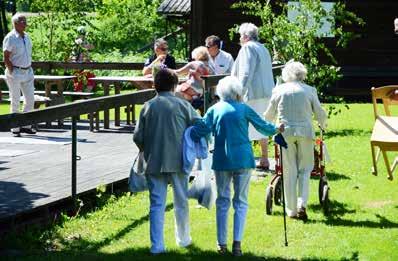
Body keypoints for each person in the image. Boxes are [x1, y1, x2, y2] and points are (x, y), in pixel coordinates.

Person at [191, 76, 284, 256]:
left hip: (222, 160)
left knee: (222, 201)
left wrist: (189, 125)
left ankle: (221, 244)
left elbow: (200, 131)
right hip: (243, 160)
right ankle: (237, 245)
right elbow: (263, 127)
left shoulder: (214, 109)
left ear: (221, 92)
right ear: (238, 92)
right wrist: (277, 128)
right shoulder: (244, 109)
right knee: (241, 202)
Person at [133, 69, 200, 254]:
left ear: (154, 85)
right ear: (175, 86)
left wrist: (145, 148)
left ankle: (157, 246)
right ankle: (184, 239)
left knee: (156, 204)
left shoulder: (148, 106)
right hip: (179, 160)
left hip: (154, 160)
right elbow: (199, 126)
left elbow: (138, 136)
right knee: (181, 201)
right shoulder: (183, 105)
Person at [264, 61, 327, 221]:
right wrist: (323, 123)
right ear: (302, 74)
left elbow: (269, 114)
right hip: (305, 132)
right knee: (305, 170)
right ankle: (302, 204)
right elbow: (319, 112)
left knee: (289, 170)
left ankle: (291, 210)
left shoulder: (278, 90)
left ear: (286, 74)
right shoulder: (309, 90)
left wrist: (268, 124)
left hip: (284, 132)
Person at [231, 23, 275, 170]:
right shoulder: (263, 48)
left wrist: (239, 92)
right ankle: (264, 158)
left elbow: (246, 72)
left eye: (240, 36)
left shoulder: (247, 48)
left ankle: (247, 159)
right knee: (262, 124)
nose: (239, 39)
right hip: (266, 92)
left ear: (245, 36)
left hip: (253, 93)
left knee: (245, 126)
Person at [3, 13, 36, 137]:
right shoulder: (10, 37)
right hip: (15, 72)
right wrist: (12, 70)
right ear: (15, 23)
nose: (25, 23)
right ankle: (15, 127)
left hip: (28, 71)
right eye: (23, 21)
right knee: (15, 99)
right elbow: (6, 57)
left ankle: (26, 125)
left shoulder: (27, 36)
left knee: (30, 99)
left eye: (25, 21)